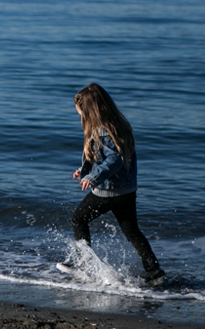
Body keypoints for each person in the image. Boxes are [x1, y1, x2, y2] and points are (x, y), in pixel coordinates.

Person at [67, 83, 165, 286]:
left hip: (108, 190)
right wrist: (84, 172)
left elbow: (114, 160)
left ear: (91, 112)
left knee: (78, 219)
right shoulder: (118, 125)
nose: (81, 119)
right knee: (131, 230)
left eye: (81, 114)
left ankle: (83, 266)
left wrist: (93, 178)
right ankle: (154, 271)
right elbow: (104, 158)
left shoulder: (102, 131)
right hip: (127, 190)